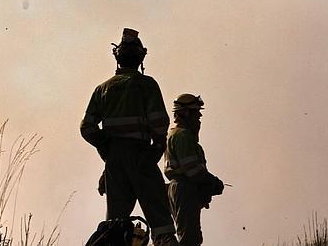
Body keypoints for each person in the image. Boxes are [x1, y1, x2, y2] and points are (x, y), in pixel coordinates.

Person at [80, 28, 178, 246]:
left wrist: (109, 150)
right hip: (142, 154)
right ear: (141, 57)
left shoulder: (102, 89)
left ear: (118, 58)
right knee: (160, 220)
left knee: (115, 226)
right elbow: (159, 122)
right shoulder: (146, 84)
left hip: (115, 161)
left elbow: (87, 128)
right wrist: (156, 150)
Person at [164, 94, 223, 246]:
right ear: (185, 114)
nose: (198, 118)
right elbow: (191, 170)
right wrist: (213, 182)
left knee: (188, 235)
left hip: (181, 187)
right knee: (190, 238)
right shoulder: (183, 136)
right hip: (184, 188)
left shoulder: (175, 134)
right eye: (195, 114)